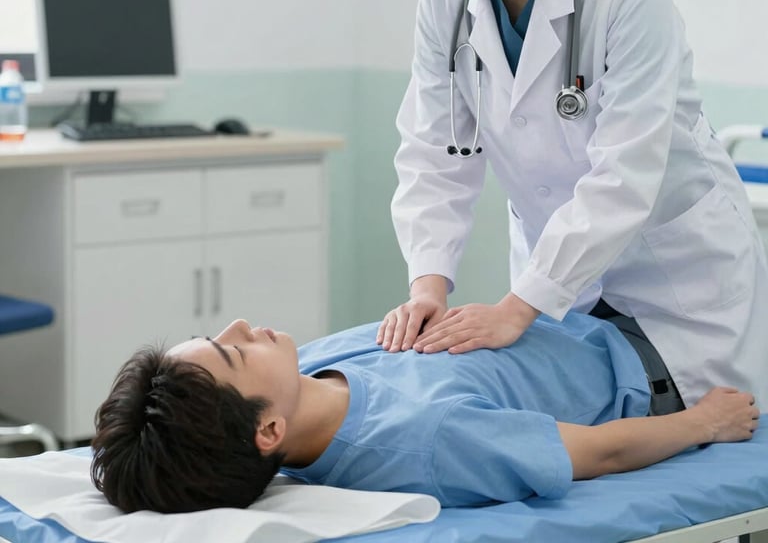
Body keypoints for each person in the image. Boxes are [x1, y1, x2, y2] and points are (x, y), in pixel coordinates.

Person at [375, 0, 768, 409]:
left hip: (674, 280)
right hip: (557, 280)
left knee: (659, 413)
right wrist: (429, 282)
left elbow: (626, 172)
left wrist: (518, 307)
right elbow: (434, 148)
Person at [91, 316, 759, 514]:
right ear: (268, 432)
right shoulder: (424, 441)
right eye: (230, 351)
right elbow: (596, 453)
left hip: (580, 302)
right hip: (654, 355)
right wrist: (707, 424)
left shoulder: (309, 370)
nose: (240, 324)